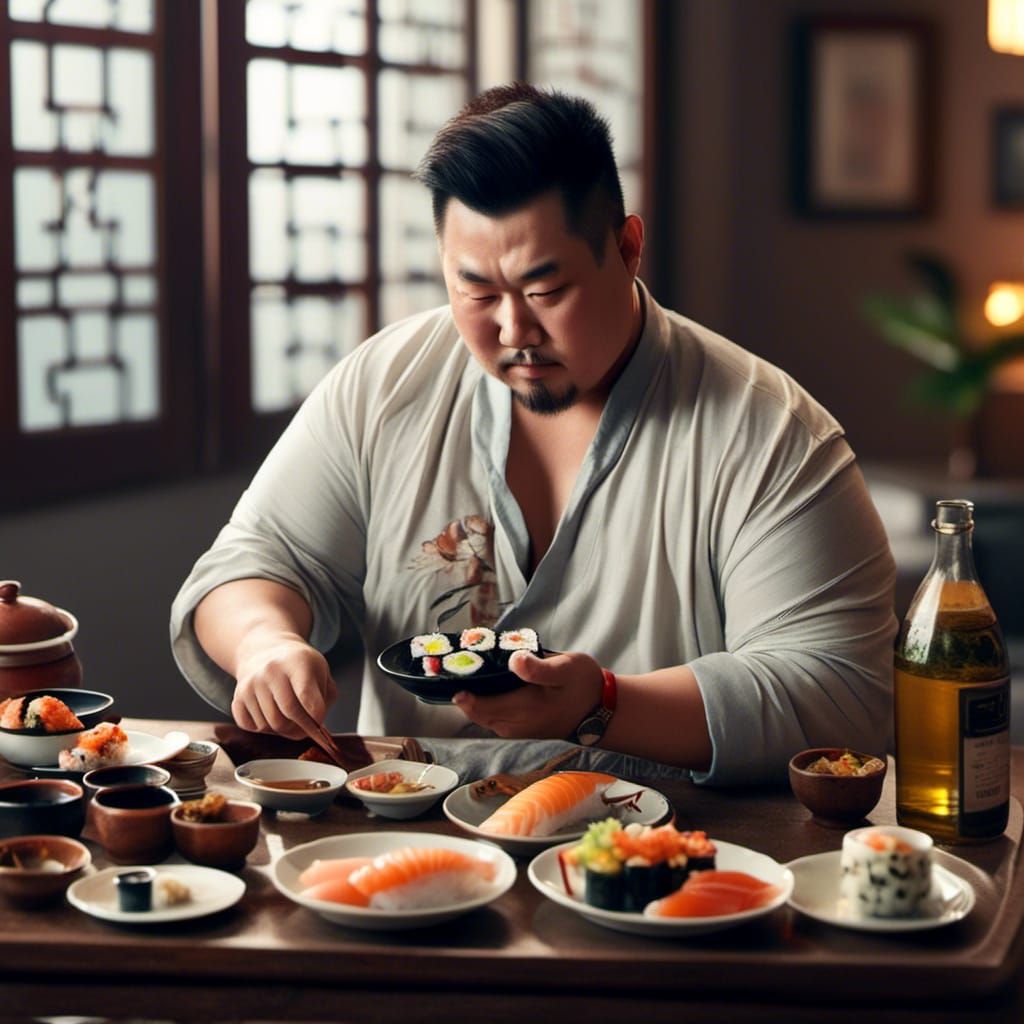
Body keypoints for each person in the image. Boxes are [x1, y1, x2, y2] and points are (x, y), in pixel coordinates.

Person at [170, 83, 896, 785]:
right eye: (476, 292)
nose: (513, 331)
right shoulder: (387, 383)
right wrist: (266, 642)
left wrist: (604, 704)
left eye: (546, 291)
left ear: (628, 247)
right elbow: (254, 562)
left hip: (663, 854)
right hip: (403, 833)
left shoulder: (767, 432)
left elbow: (839, 695)